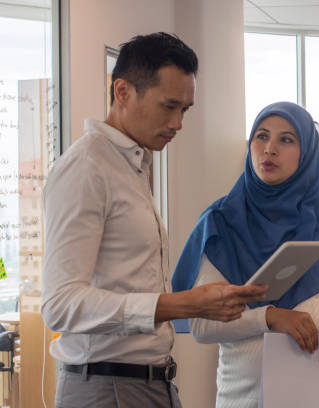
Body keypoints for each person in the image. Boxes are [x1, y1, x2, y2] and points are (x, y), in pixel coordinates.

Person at [41, 32, 266, 408]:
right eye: (169, 106)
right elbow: (60, 304)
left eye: (185, 110)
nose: (178, 123)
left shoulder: (131, 164)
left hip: (149, 381)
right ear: (123, 92)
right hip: (106, 386)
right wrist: (184, 305)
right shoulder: (86, 168)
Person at [171, 101, 319, 408]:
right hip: (244, 397)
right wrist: (270, 317)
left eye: (286, 139)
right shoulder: (221, 220)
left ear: (307, 152)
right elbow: (201, 326)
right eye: (261, 136)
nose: (269, 149)